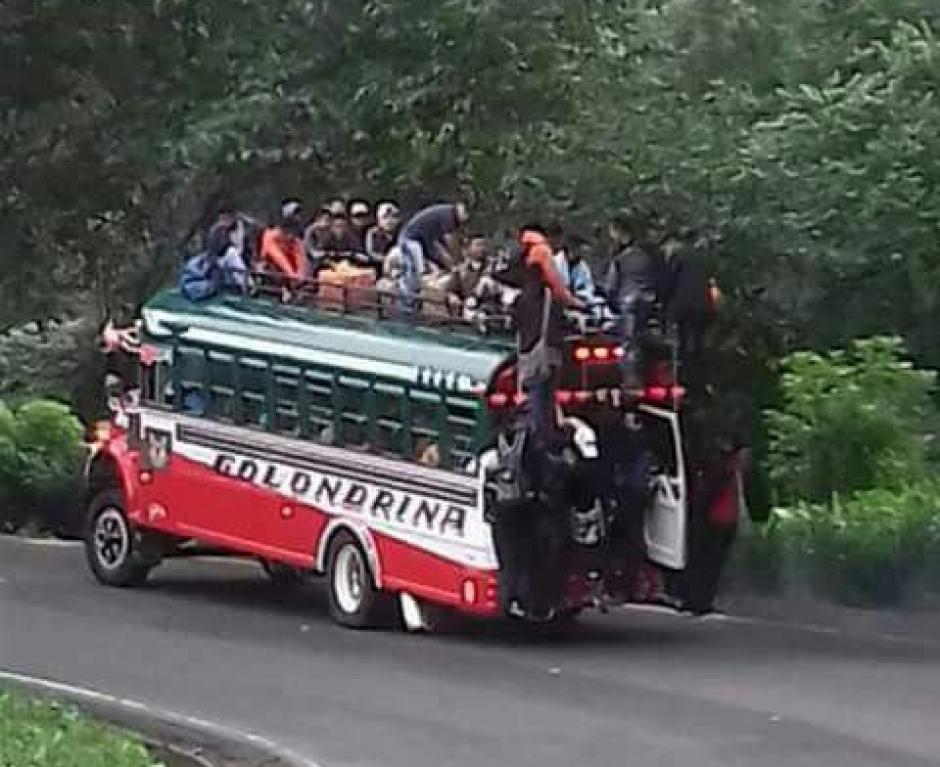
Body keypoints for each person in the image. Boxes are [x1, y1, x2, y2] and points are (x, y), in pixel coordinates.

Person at [602, 214, 661, 390]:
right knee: (644, 342)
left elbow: (611, 287)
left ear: (618, 231)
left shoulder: (620, 258)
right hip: (649, 303)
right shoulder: (646, 255)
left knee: (628, 343)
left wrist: (610, 302)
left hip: (629, 304)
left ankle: (631, 382)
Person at [396, 201, 469, 300]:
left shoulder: (448, 218)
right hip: (411, 239)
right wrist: (457, 260)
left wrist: (450, 263)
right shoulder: (449, 215)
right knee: (416, 270)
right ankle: (408, 299)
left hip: (425, 240)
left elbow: (439, 246)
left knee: (432, 265)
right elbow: (449, 240)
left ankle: (414, 294)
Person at [260, 200, 308, 283]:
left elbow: (300, 257)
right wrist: (291, 274)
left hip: (290, 279)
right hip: (270, 274)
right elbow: (277, 256)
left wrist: (300, 274)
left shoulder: (295, 240)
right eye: (295, 213)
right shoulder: (270, 235)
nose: (298, 217)